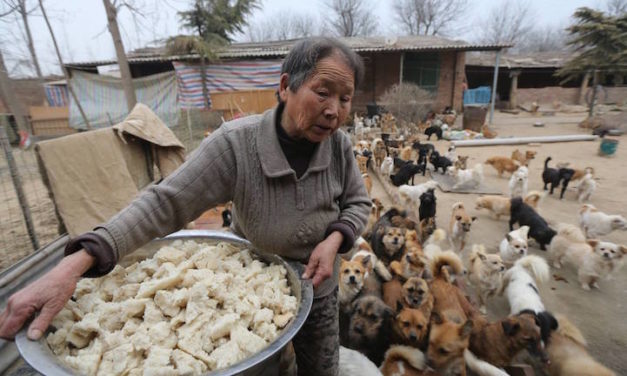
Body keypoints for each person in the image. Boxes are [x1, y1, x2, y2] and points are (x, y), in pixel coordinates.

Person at [0, 37, 370, 376]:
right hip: (251, 293)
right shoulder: (237, 146)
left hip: (319, 291)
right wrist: (73, 265)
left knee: (322, 370)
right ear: (285, 86)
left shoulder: (338, 147)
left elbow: (357, 202)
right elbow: (165, 201)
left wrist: (335, 239)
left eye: (345, 98)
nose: (334, 111)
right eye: (323, 93)